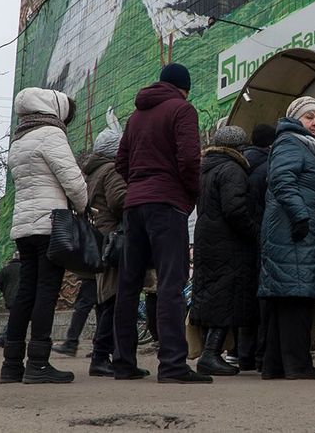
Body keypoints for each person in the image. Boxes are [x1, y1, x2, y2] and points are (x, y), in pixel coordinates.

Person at [113, 64, 210, 384]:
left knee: (128, 285)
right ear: (184, 88)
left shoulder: (135, 116)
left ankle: (123, 362)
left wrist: (139, 185)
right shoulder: (183, 109)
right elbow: (188, 160)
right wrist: (191, 193)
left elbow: (121, 162)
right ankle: (172, 364)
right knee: (171, 281)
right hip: (167, 204)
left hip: (134, 205)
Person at [1, 87, 87, 385]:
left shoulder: (19, 139)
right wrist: (84, 205)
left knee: (26, 291)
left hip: (24, 227)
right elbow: (73, 180)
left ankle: (11, 364)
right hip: (50, 225)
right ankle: (38, 363)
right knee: (47, 292)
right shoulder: (51, 135)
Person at [257, 96, 315, 381]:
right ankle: (298, 365)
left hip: (290, 232)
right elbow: (282, 180)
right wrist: (301, 216)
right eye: (309, 117)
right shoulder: (291, 143)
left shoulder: (299, 146)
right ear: (295, 118)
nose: (314, 123)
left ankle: (274, 365)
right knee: (295, 299)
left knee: (286, 299)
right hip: (293, 232)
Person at [192, 126, 257, 376]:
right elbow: (235, 209)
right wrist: (254, 232)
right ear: (239, 148)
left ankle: (211, 353)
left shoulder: (207, 168)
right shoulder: (232, 169)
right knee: (224, 295)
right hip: (227, 242)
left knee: (212, 292)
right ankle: (210, 353)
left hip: (207, 238)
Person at [79, 114, 127, 377]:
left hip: (98, 239)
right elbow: (120, 200)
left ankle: (107, 355)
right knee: (113, 297)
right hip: (113, 239)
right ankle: (101, 357)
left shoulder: (93, 172)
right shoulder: (112, 171)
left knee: (105, 298)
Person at [238, 123, 275, 371]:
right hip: (261, 235)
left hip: (240, 240)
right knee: (263, 299)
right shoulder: (268, 167)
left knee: (245, 295)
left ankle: (242, 354)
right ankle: (261, 356)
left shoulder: (241, 164)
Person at [52, 274, 99, 357]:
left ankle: (71, 343)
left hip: (96, 274)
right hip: (102, 274)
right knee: (102, 307)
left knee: (83, 306)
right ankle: (99, 347)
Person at [0, 252, 21, 348]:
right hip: (22, 296)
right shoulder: (25, 268)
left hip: (9, 298)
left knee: (14, 318)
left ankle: (7, 339)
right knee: (15, 319)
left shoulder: (5, 269)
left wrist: (5, 291)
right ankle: (3, 338)